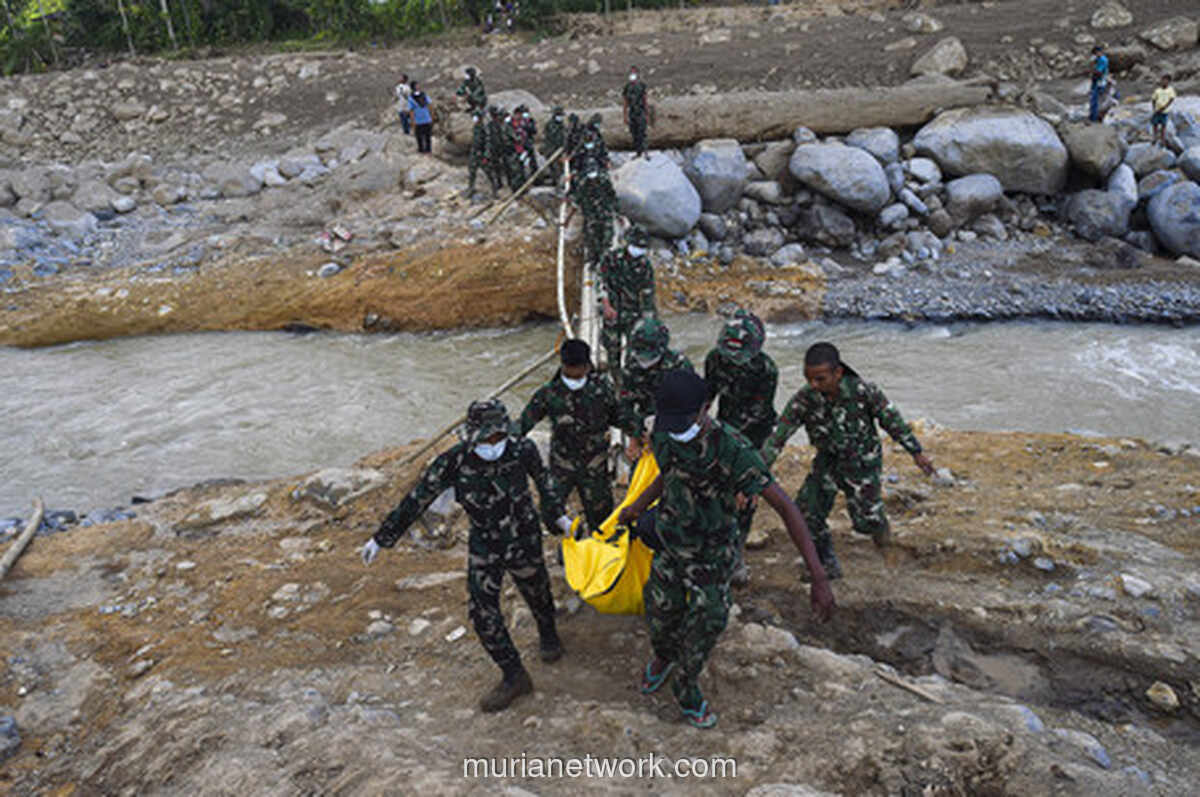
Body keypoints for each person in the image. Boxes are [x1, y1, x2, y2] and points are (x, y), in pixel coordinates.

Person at [617, 369, 835, 728]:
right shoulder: (666, 429)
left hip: (712, 553)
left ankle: (686, 686)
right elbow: (667, 474)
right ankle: (663, 658)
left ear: (705, 408)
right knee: (660, 612)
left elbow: (785, 507)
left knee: (709, 621)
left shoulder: (733, 449)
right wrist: (637, 506)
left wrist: (818, 575)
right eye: (669, 423)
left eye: (682, 422)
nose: (674, 430)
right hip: (671, 544)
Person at [361, 399, 573, 713]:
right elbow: (418, 498)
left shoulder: (522, 449)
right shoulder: (454, 461)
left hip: (524, 537)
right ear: (472, 435)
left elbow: (546, 483)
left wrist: (559, 519)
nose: (493, 444)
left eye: (498, 436)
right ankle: (514, 675)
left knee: (538, 592)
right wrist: (382, 538)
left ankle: (548, 633)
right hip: (485, 544)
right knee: (482, 612)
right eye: (486, 438)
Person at [761, 342, 934, 580]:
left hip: (862, 464)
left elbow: (892, 421)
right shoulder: (804, 399)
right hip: (828, 463)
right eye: (808, 378)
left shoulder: (863, 391)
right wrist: (758, 472)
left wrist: (916, 452)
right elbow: (779, 436)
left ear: (838, 373)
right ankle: (826, 564)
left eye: (820, 379)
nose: (813, 385)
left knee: (867, 521)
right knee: (806, 513)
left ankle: (884, 541)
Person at [703, 310, 777, 585]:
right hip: (724, 428)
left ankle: (736, 556)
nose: (733, 362)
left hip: (754, 437)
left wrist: (744, 473)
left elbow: (757, 416)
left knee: (746, 498)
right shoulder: (715, 359)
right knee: (716, 492)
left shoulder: (766, 370)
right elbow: (707, 397)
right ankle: (715, 546)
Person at [516, 339, 621, 535]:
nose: (573, 375)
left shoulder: (601, 390)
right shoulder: (549, 393)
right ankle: (572, 533)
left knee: (602, 520)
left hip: (594, 466)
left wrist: (640, 434)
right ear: (562, 365)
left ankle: (596, 548)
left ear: (587, 366)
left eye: (578, 370)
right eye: (569, 370)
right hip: (562, 465)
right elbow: (523, 423)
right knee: (550, 513)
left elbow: (620, 417)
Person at [619, 317, 694, 459]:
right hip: (644, 427)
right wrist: (634, 438)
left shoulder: (680, 367)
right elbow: (625, 406)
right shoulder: (632, 368)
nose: (644, 362)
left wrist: (661, 433)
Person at [597, 225, 657, 384]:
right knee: (612, 348)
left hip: (633, 313)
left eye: (642, 247)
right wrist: (606, 305)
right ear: (629, 242)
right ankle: (615, 379)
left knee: (635, 349)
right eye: (637, 245)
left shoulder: (645, 265)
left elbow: (648, 293)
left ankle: (630, 382)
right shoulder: (611, 258)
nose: (639, 250)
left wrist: (649, 319)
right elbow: (601, 282)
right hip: (613, 312)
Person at [468, 110, 499, 198]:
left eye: (476, 117)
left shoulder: (485, 128)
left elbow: (488, 143)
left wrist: (486, 155)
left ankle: (495, 190)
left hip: (482, 154)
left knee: (489, 172)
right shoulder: (475, 127)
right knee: (472, 171)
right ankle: (471, 189)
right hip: (474, 153)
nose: (474, 118)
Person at [622, 65, 651, 158]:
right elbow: (625, 102)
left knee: (642, 132)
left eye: (634, 73)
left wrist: (647, 114)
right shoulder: (627, 87)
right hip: (632, 113)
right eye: (631, 73)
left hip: (641, 112)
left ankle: (645, 152)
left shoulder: (641, 86)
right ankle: (638, 152)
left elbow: (645, 100)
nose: (632, 75)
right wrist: (625, 115)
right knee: (634, 133)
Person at [541, 106, 567, 185]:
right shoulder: (550, 125)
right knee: (555, 167)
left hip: (559, 150)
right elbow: (552, 137)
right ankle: (556, 182)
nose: (561, 117)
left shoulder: (561, 125)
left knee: (560, 167)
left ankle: (558, 181)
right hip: (551, 150)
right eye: (559, 115)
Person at [409, 81, 434, 154]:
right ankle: (425, 150)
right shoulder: (422, 95)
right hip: (421, 120)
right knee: (423, 137)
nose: (418, 86)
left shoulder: (413, 97)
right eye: (417, 85)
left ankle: (425, 150)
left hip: (423, 119)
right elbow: (411, 111)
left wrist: (431, 116)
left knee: (424, 137)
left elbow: (430, 106)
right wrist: (413, 121)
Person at [1151, 73, 1176, 148]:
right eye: (1163, 80)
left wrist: (1165, 107)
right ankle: (1155, 137)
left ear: (1169, 82)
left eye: (1166, 81)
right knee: (1155, 124)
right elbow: (1153, 99)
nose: (1164, 82)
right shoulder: (1157, 90)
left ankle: (1162, 139)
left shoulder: (1170, 90)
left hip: (1165, 111)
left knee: (1163, 125)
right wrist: (1154, 108)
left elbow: (1171, 99)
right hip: (1157, 110)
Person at [1089, 45, 1109, 123]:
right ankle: (1094, 116)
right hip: (1099, 81)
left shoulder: (1102, 60)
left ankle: (1094, 117)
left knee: (1095, 100)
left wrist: (1092, 68)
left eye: (1095, 53)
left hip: (1100, 82)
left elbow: (1099, 72)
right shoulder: (1099, 59)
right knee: (1095, 99)